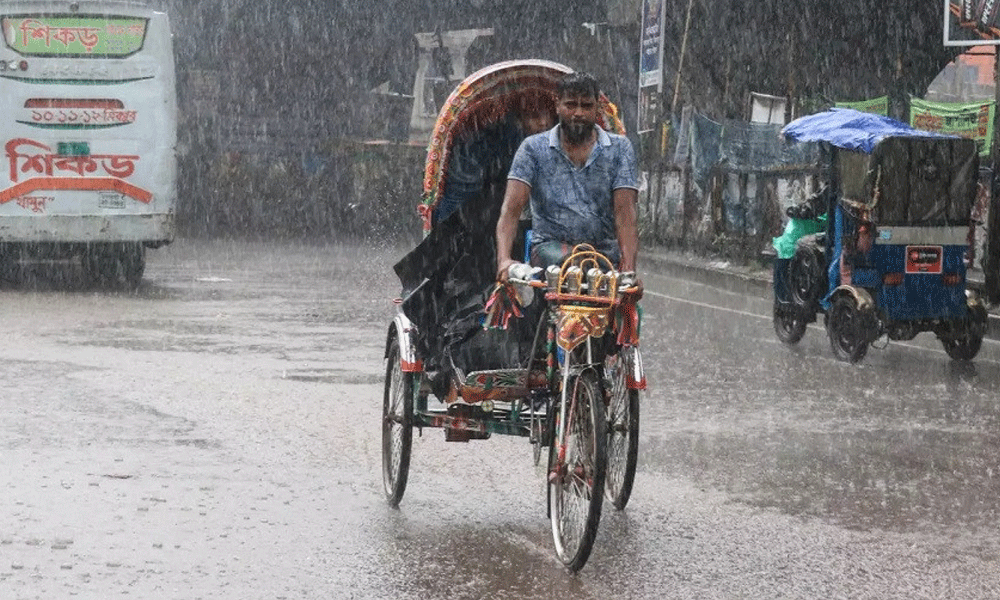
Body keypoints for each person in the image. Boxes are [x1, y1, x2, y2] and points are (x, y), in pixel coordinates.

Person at [495, 72, 640, 282]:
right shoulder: (533, 149)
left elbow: (625, 214)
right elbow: (511, 210)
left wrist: (627, 270)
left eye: (586, 106)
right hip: (549, 252)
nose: (578, 113)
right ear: (557, 105)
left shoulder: (619, 149)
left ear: (597, 108)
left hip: (604, 256)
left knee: (620, 303)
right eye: (571, 105)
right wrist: (504, 261)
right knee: (521, 302)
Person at [434, 94, 556, 224]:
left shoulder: (556, 142)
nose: (543, 123)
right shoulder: (491, 144)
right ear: (519, 118)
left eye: (547, 115)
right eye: (534, 116)